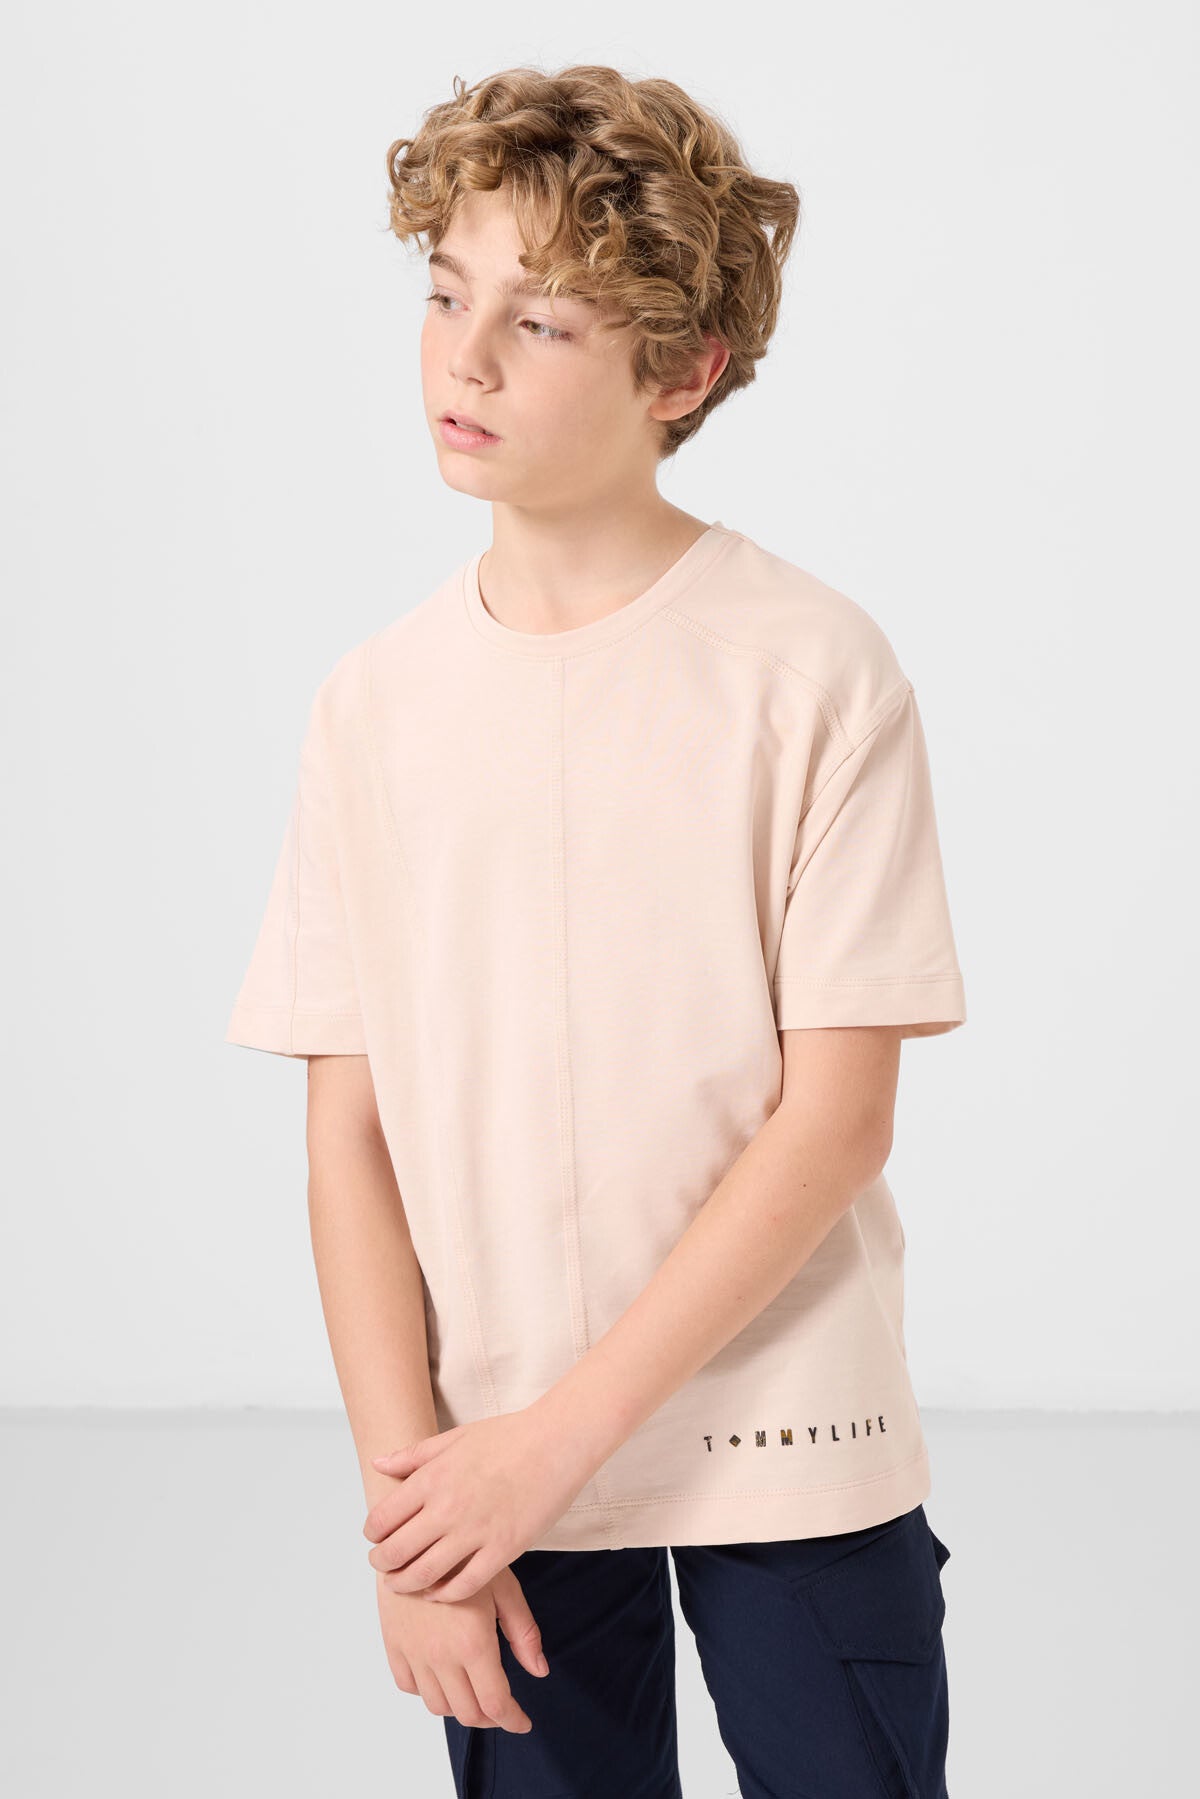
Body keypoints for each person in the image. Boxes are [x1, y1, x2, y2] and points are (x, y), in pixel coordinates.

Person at [225, 61, 965, 1799]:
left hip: (788, 1442)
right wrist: (417, 1510)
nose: (466, 361)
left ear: (685, 371)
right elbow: (348, 1136)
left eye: (542, 322)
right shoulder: (372, 709)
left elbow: (837, 1117)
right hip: (489, 1476)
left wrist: (550, 1446)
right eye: (445, 296)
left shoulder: (811, 673)